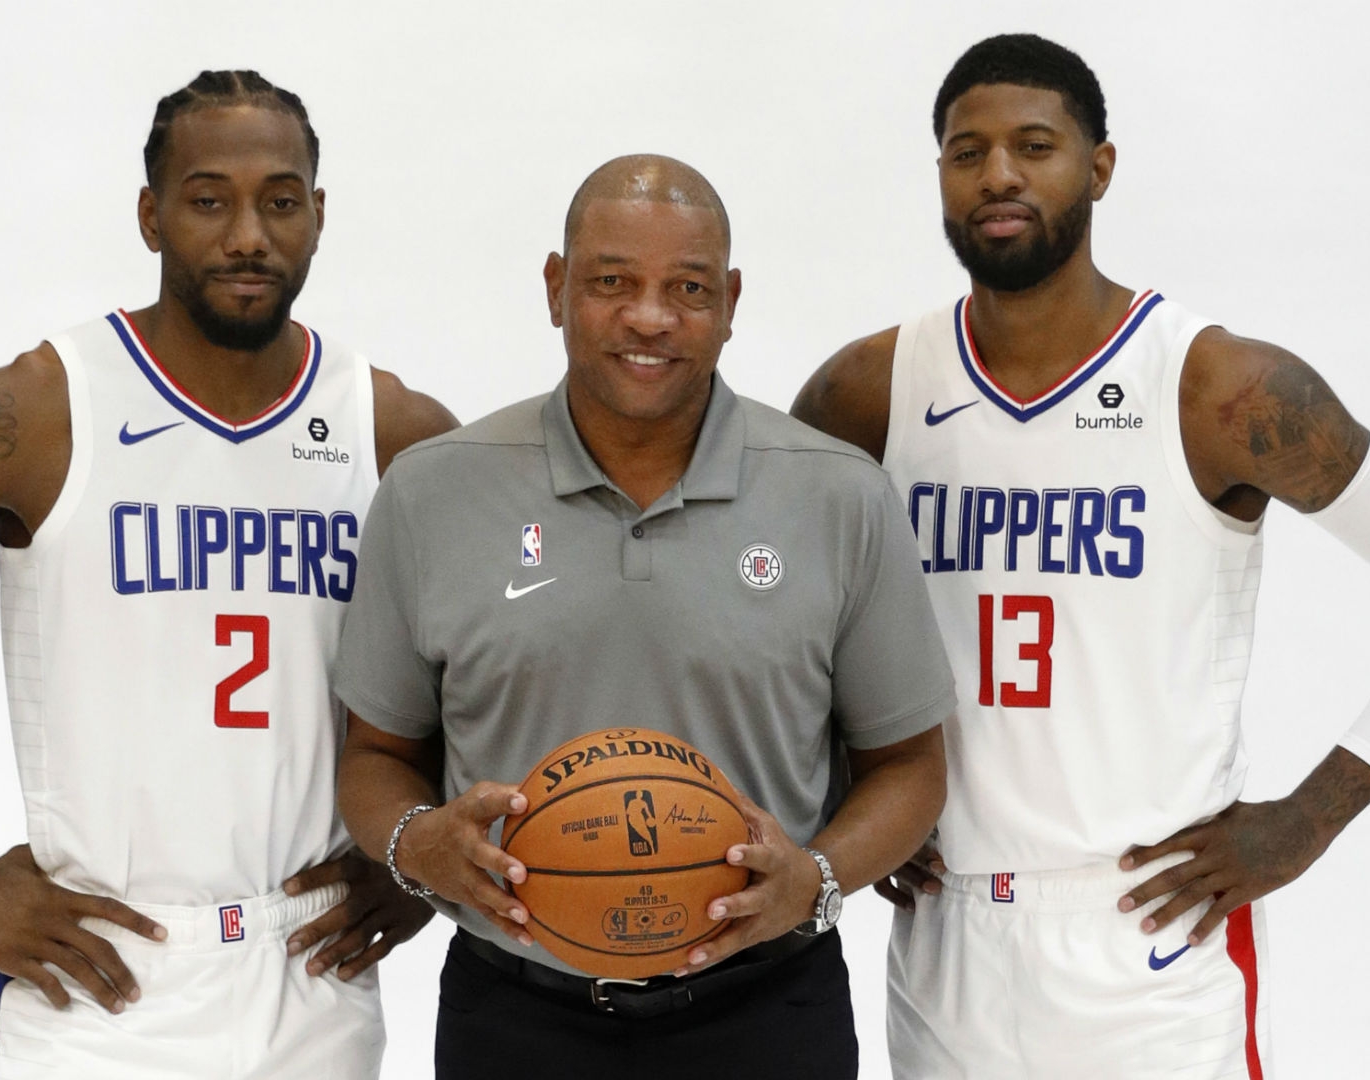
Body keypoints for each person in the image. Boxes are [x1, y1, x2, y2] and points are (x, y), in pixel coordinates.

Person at [792, 34, 1370, 1080]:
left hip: (1149, 933)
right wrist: (848, 792)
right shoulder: (868, 388)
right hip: (947, 937)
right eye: (967, 152)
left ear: (1098, 167)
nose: (998, 174)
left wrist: (1308, 821)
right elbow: (785, 622)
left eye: (1034, 145)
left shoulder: (1222, 387)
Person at [0, 70, 453, 1079]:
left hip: (310, 976)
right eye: (209, 198)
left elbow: (508, 664)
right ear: (151, 214)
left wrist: (417, 856)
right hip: (97, 980)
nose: (248, 232)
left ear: (319, 215)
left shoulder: (390, 429)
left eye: (280, 200)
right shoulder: (32, 413)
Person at [330, 154, 956, 1080]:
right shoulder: (434, 490)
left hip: (769, 1008)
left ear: (733, 300)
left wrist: (813, 880)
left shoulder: (839, 495)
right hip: (513, 1011)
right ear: (555, 287)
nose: (650, 317)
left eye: (689, 287)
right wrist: (412, 842)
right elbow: (375, 755)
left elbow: (910, 768)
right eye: (612, 282)